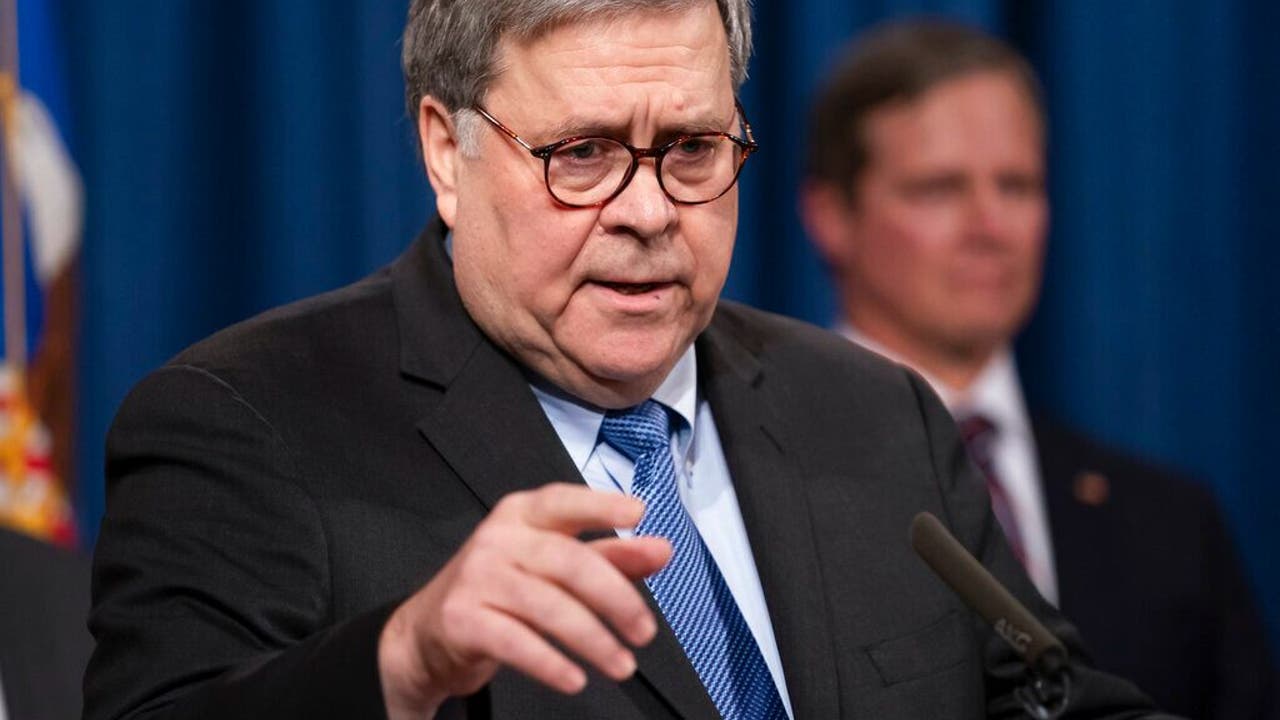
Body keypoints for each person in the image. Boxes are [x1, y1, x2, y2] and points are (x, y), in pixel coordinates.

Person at [84, 3, 1176, 719]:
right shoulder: (247, 424)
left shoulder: (874, 414)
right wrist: (402, 660)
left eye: (692, 150)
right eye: (584, 154)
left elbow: (1051, 698)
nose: (649, 212)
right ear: (445, 151)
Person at [800, 19, 1276, 720]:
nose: (991, 226)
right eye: (940, 188)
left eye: (1017, 186)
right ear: (831, 216)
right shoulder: (757, 487)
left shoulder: (1173, 524)